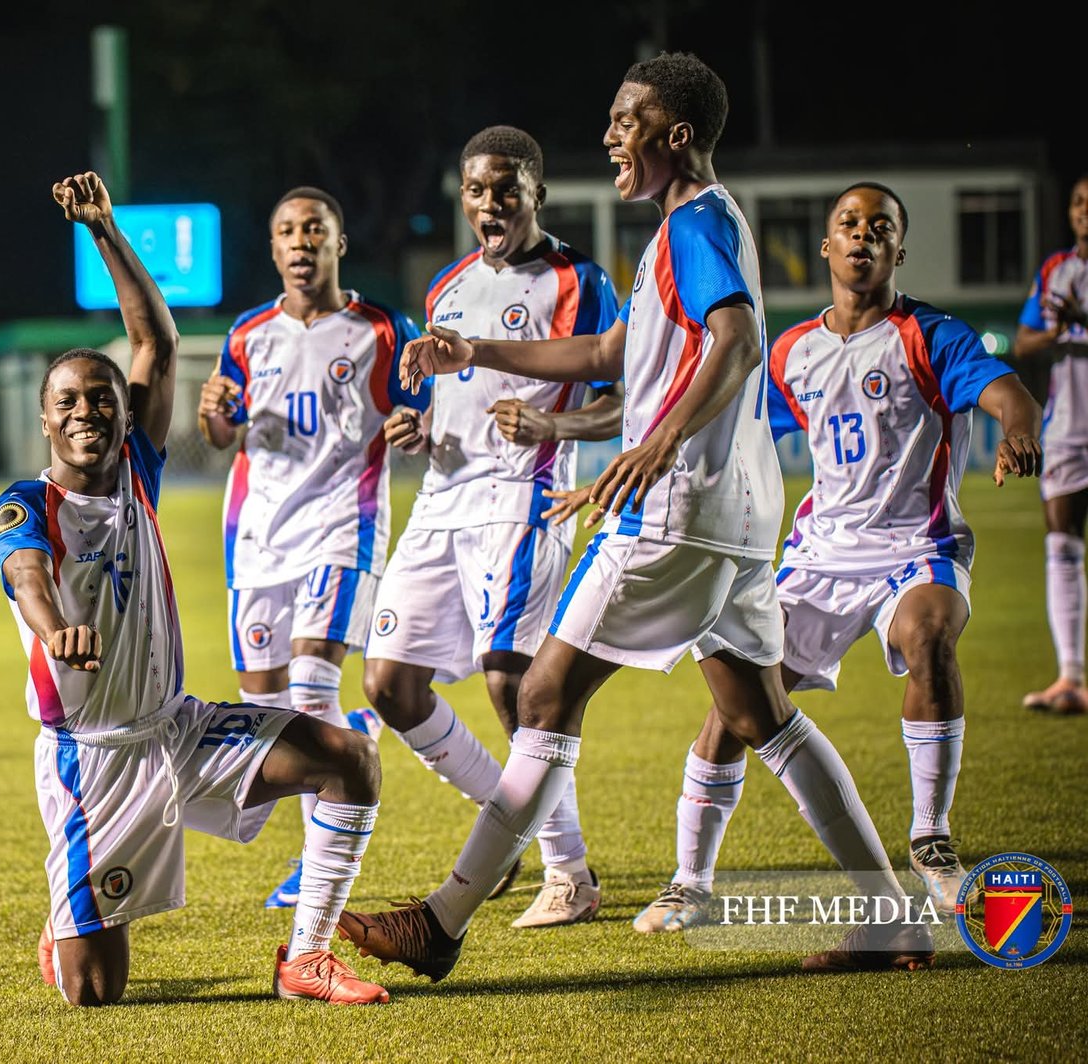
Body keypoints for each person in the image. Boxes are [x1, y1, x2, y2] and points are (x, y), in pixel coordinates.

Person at [339, 53, 939, 978]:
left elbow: (737, 341)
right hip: (735, 519)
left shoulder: (696, 224)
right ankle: (891, 915)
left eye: (628, 120)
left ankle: (444, 920)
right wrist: (476, 351)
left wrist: (657, 445)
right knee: (764, 715)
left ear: (677, 135)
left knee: (542, 695)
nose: (612, 135)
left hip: (677, 513)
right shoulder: (685, 229)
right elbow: (607, 352)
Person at [1, 172, 388, 1006]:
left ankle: (307, 959)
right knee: (95, 995)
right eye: (67, 401)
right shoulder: (26, 504)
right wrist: (54, 626)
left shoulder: (136, 473)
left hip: (179, 730)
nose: (85, 411)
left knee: (349, 759)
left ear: (124, 413)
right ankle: (69, 916)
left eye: (101, 399)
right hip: (92, 761)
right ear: (45, 419)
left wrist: (105, 231)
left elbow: (156, 339)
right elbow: (25, 574)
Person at [623, 182, 1042, 934]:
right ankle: (691, 882)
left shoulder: (931, 337)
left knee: (930, 634)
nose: (863, 236)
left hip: (917, 548)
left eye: (881, 227)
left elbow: (1011, 394)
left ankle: (931, 841)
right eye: (850, 224)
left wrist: (1017, 432)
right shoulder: (792, 351)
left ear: (898, 252)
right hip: (819, 558)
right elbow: (734, 422)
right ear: (826, 245)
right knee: (736, 708)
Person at [361, 125, 623, 930]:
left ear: (536, 192)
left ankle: (569, 874)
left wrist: (556, 428)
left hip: (522, 497)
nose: (490, 203)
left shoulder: (579, 281)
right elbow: (444, 400)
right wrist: (415, 430)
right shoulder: (446, 286)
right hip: (441, 500)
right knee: (389, 685)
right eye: (476, 190)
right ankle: (504, 824)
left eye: (506, 188)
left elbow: (623, 402)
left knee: (511, 681)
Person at [197, 187, 426, 910]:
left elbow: (421, 414)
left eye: (315, 230)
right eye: (288, 232)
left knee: (312, 685)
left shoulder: (381, 329)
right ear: (273, 249)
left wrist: (414, 426)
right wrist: (213, 415)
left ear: (338, 243)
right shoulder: (247, 334)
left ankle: (314, 859)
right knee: (263, 705)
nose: (301, 242)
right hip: (257, 536)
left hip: (341, 524)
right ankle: (353, 735)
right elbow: (223, 433)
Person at [1016, 175, 1088, 715]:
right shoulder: (1055, 270)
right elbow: (1024, 342)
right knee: (1061, 546)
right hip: (1068, 429)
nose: (1085, 209)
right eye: (1079, 201)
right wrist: (1058, 332)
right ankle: (1070, 677)